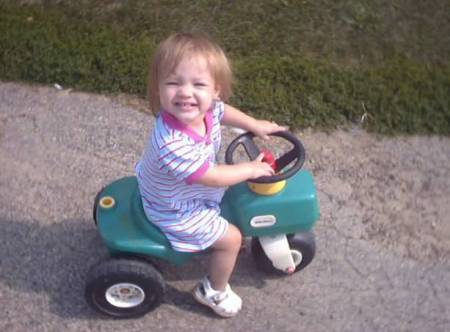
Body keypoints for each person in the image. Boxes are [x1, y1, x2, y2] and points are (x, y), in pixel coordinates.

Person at [136, 32, 286, 318]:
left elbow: (223, 112)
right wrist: (251, 169)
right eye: (173, 83)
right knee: (232, 239)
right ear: (158, 88)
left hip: (183, 190)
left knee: (231, 197)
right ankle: (212, 290)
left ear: (216, 90)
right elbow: (212, 177)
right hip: (175, 209)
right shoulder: (173, 143)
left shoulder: (207, 110)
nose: (185, 92)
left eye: (198, 84)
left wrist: (254, 124)